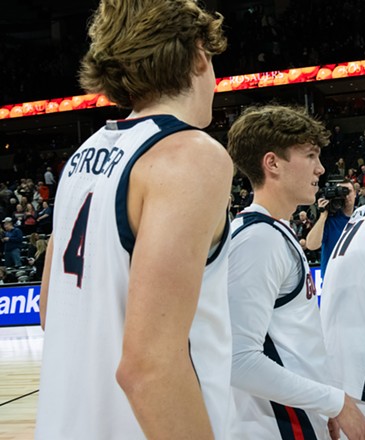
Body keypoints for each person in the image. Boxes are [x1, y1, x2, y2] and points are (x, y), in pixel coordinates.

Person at [35, 2, 236, 439]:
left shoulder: (81, 158)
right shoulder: (190, 155)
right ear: (200, 55)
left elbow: (52, 311)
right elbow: (150, 367)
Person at [225, 105, 365, 440]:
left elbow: (296, 341)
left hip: (297, 417)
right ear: (272, 163)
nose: (320, 168)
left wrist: (322, 403)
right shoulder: (258, 241)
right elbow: (239, 360)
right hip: (276, 426)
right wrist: (336, 402)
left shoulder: (274, 230)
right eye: (310, 155)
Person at [306, 180, 356, 280]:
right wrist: (323, 216)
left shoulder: (363, 217)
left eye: (348, 191)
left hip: (356, 279)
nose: (345, 196)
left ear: (355, 193)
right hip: (332, 282)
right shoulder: (329, 220)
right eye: (341, 192)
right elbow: (311, 245)